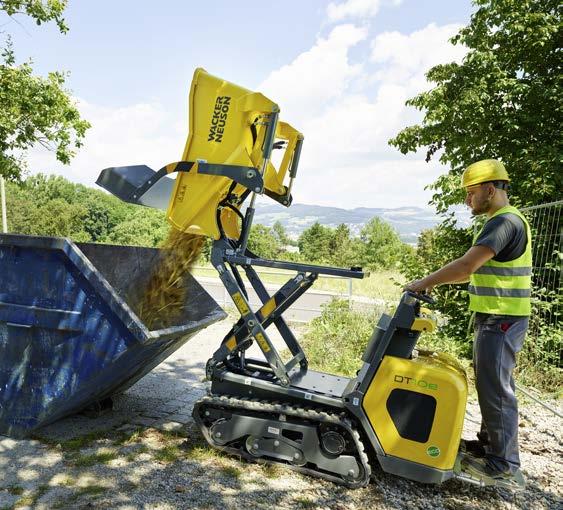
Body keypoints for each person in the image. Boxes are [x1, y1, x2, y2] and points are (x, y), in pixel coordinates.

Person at [405, 159, 531, 491]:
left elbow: (467, 266)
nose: (467, 201)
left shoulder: (504, 223)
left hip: (502, 318)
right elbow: (476, 271)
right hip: (498, 316)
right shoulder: (502, 220)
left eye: (471, 193)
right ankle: (491, 448)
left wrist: (424, 282)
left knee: (497, 389)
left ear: (490, 190)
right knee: (490, 385)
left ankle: (505, 466)